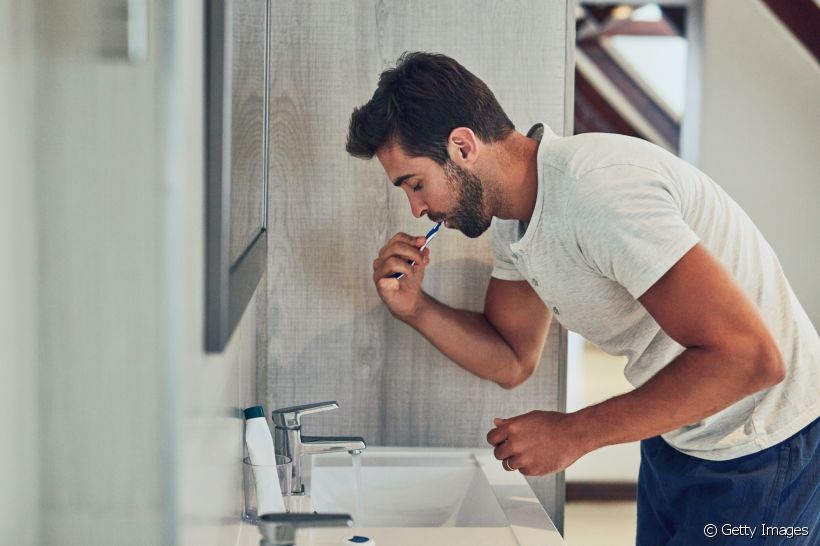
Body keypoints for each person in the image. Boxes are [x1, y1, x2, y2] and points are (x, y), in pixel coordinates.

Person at [345, 52, 819, 545]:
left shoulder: (598, 192)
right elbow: (512, 357)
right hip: (681, 433)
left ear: (462, 146)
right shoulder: (516, 219)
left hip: (766, 443)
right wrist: (417, 309)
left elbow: (751, 358)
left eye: (415, 183)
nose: (418, 208)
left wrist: (575, 433)